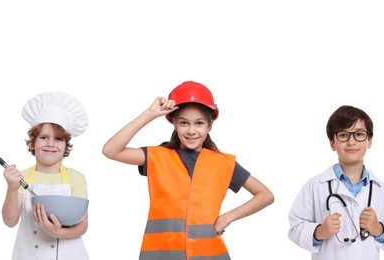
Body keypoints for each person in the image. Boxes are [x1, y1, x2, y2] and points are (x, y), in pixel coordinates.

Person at [100, 81, 275, 259]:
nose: (191, 131)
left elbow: (265, 195)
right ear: (174, 123)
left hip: (210, 254)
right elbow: (111, 150)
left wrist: (228, 217)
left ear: (209, 125)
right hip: (162, 255)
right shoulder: (157, 156)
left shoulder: (223, 163)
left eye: (199, 123)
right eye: (184, 123)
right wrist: (150, 114)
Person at [285, 105, 384, 259]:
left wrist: (378, 229)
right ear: (332, 143)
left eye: (359, 134)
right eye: (343, 135)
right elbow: (295, 228)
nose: (351, 141)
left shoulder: (380, 189)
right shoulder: (315, 186)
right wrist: (319, 232)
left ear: (369, 141)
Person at [1, 93, 90, 260]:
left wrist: (58, 232)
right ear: (33, 142)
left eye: (58, 139)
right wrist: (12, 188)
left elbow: (83, 226)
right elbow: (10, 221)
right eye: (43, 137)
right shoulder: (22, 176)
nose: (50, 144)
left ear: (65, 146)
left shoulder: (75, 178)